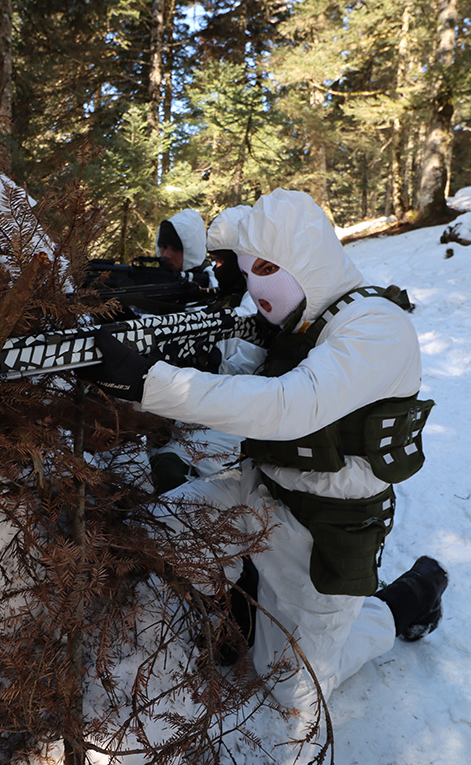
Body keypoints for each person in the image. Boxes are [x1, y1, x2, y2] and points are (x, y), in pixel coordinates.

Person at [85, 188, 447, 711]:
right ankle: (241, 608)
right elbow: (244, 378)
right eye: (251, 273)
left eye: (268, 270)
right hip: (259, 493)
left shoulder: (375, 327)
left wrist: (152, 381)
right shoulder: (297, 321)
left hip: (324, 533)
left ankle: (405, 600)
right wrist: (188, 356)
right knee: (151, 531)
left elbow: (288, 404)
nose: (259, 290)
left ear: (307, 260)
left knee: (292, 697)